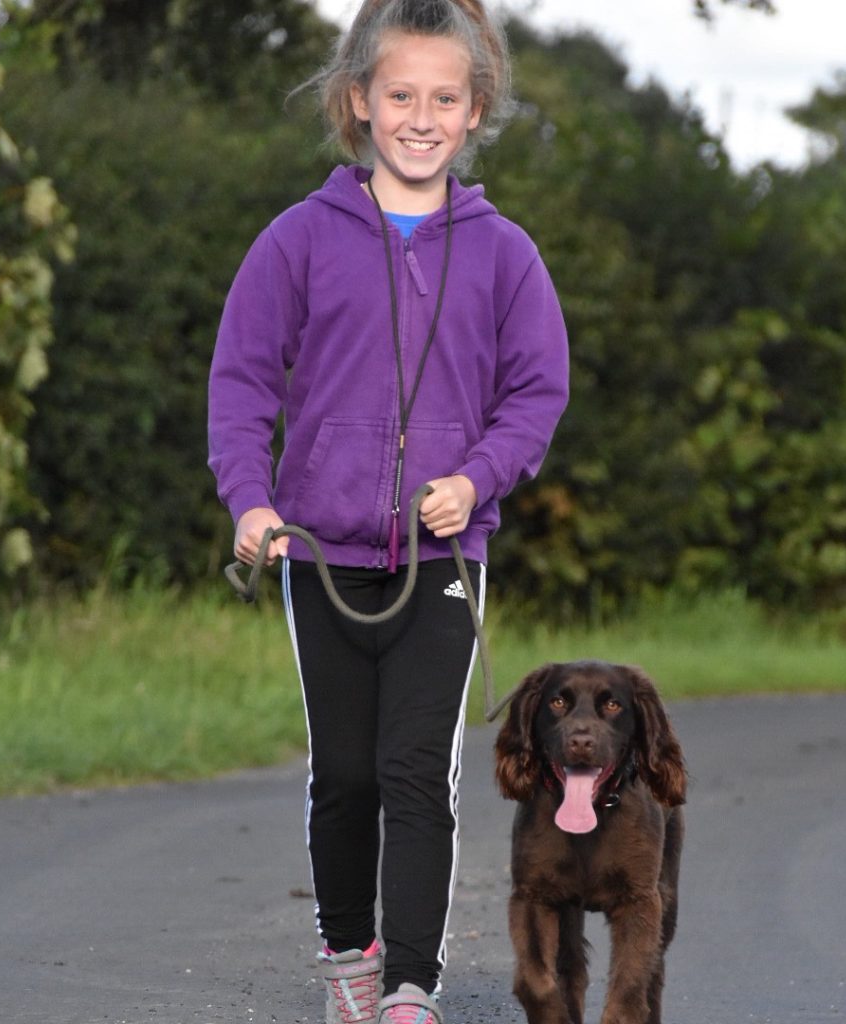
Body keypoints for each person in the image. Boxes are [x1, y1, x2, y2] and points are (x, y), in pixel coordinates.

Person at [207, 1, 568, 1020]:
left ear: (475, 109)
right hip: (317, 547)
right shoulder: (296, 240)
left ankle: (410, 984)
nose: (421, 116)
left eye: (443, 98)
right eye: (399, 94)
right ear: (359, 102)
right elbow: (240, 383)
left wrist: (480, 477)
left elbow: (537, 391)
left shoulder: (505, 254)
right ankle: (347, 956)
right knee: (348, 774)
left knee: (418, 768)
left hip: (442, 556)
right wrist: (251, 499)